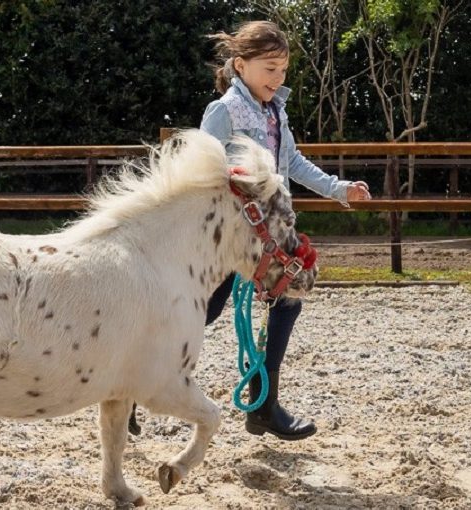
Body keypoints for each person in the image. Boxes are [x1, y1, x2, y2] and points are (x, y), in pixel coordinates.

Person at [129, 20, 371, 441]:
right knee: (204, 312)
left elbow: (291, 163)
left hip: (267, 234)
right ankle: (131, 382)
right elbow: (201, 170)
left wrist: (339, 190)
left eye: (283, 70)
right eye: (270, 68)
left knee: (287, 298)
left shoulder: (276, 109)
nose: (277, 79)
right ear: (241, 65)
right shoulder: (223, 112)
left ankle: (263, 406)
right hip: (232, 239)